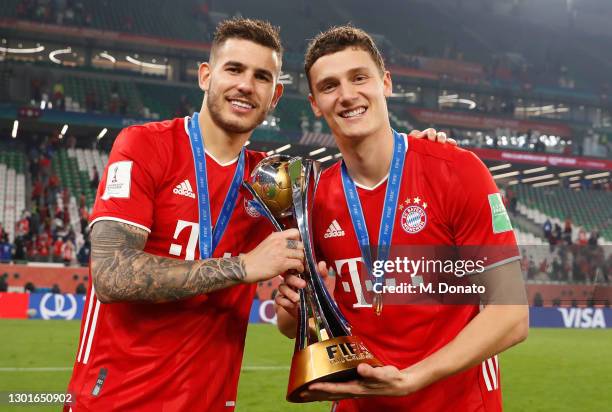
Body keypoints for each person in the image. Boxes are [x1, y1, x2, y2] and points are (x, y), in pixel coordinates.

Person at [276, 26, 528, 411]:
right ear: (314, 103)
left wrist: (411, 380)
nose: (347, 95)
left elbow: (511, 315)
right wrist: (292, 312)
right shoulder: (313, 200)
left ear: (386, 83)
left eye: (359, 77)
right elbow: (291, 324)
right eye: (329, 86)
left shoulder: (456, 170)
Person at [63, 18, 306, 411]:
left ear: (275, 96)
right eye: (234, 69)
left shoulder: (271, 184)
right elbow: (111, 274)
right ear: (205, 76)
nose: (246, 85)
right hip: (117, 401)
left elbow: (289, 325)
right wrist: (243, 267)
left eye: (262, 76)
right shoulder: (144, 145)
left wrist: (423, 154)